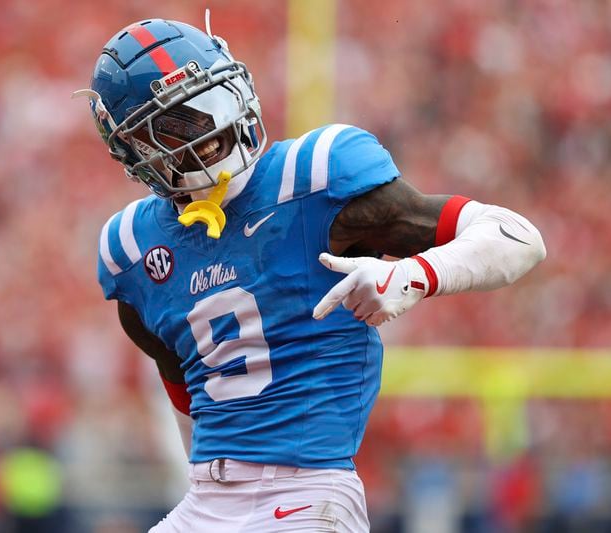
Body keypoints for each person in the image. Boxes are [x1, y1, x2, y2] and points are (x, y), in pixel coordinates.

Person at [74, 16, 546, 533]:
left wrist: (414, 275)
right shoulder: (132, 248)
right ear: (136, 150)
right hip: (207, 501)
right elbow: (188, 400)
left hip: (306, 493)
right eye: (179, 122)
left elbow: (517, 237)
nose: (210, 124)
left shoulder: (314, 177)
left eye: (211, 98)